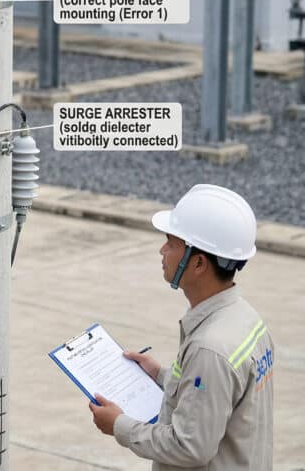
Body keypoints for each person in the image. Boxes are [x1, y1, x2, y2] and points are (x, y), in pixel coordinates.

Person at [88, 184, 274, 469]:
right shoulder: (246, 319)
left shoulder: (210, 349)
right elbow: (215, 396)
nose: (162, 250)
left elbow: (189, 447)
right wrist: (160, 374)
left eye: (171, 243)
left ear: (198, 263)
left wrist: (119, 426)